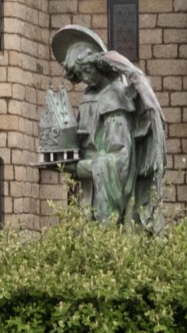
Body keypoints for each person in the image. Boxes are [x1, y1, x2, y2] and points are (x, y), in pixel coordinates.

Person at [43, 25, 165, 231]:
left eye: (87, 70)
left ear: (97, 64)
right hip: (89, 193)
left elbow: (121, 160)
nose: (85, 78)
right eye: (80, 74)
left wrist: (78, 167)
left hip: (108, 197)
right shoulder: (89, 97)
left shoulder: (114, 98)